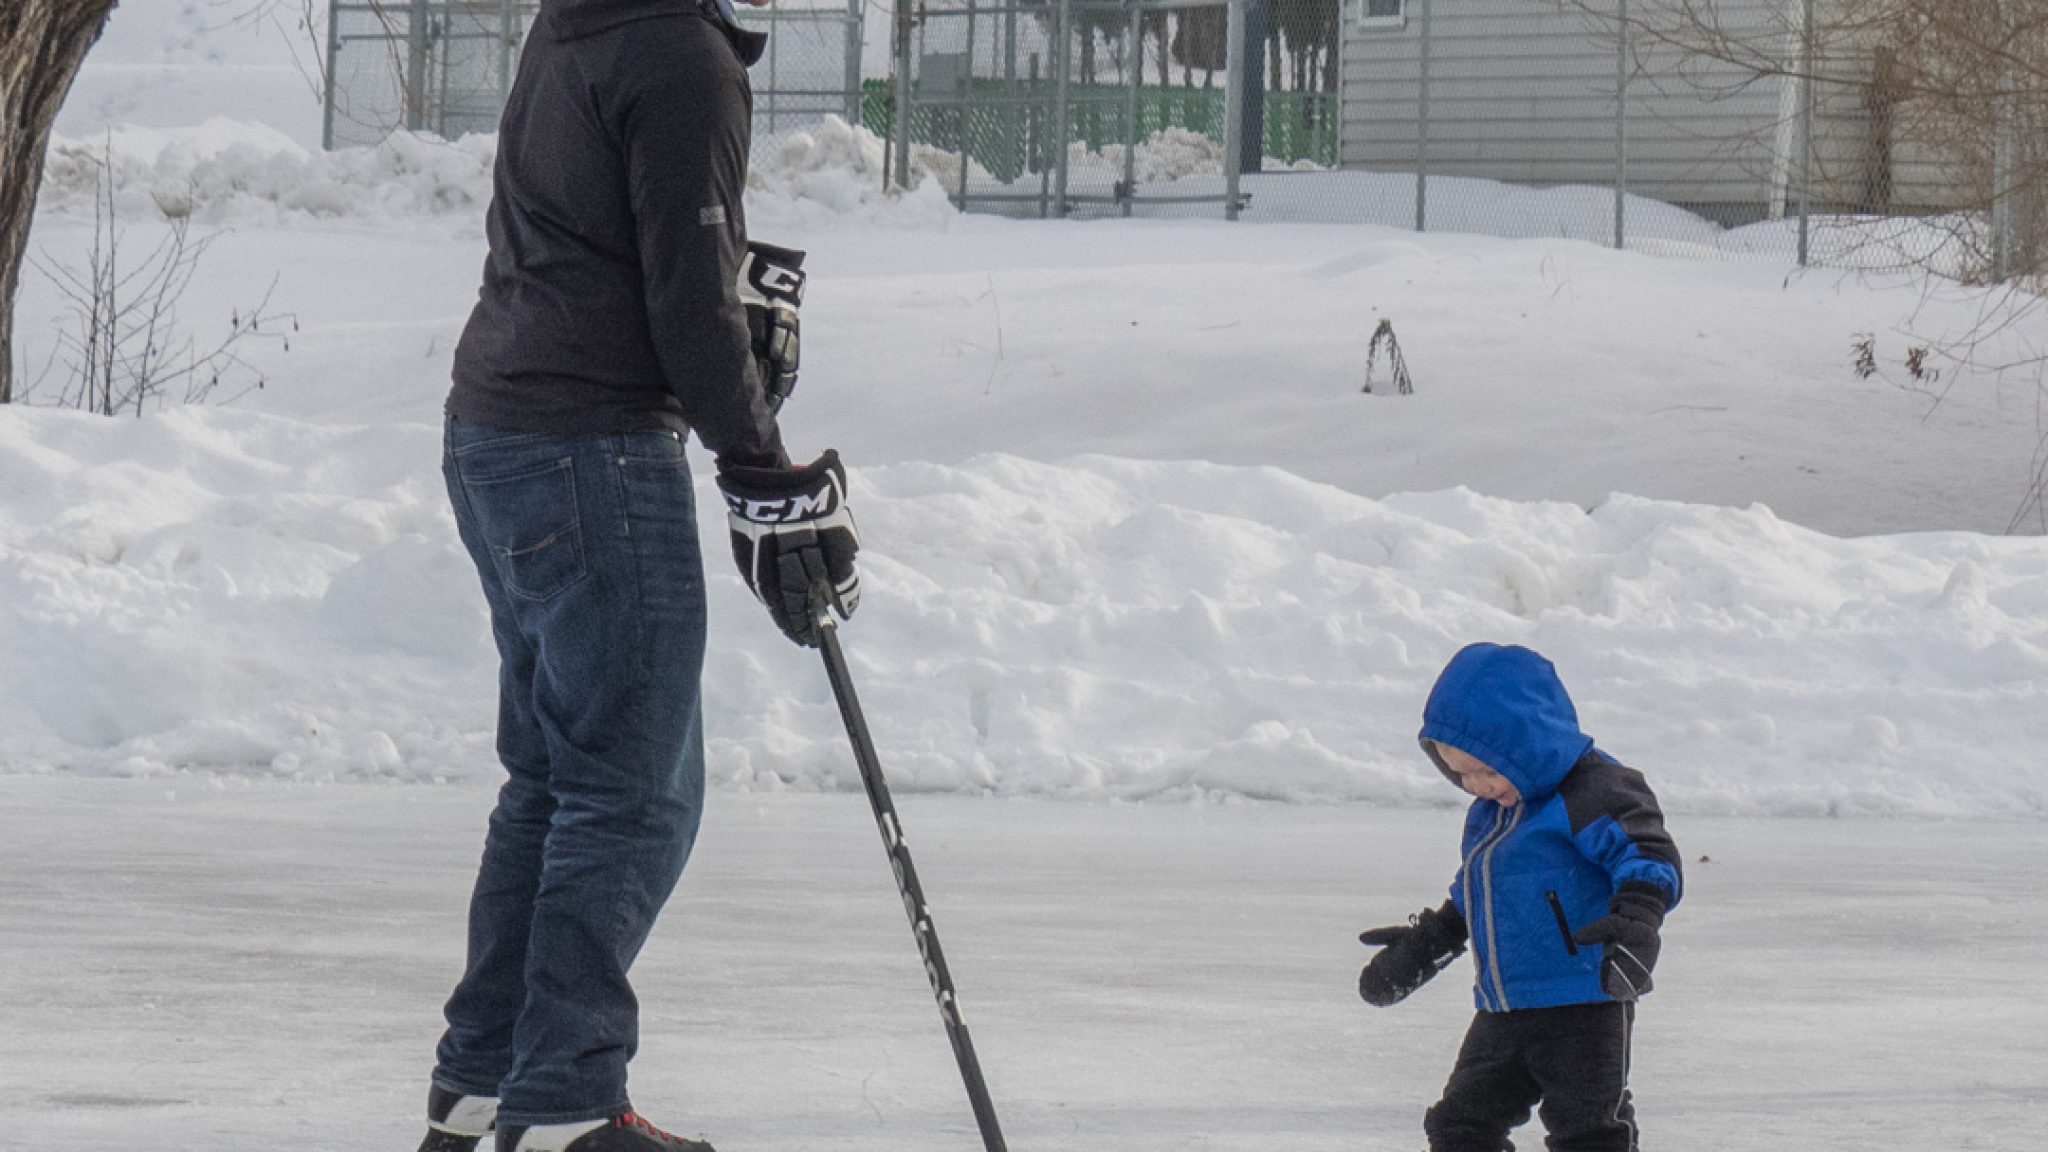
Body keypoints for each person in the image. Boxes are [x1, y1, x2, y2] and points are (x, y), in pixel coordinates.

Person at [416, 0, 860, 1148]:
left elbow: (641, 250)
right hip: (588, 447)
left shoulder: (585, 20)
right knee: (634, 791)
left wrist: (724, 334)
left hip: (500, 427)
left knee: (558, 780)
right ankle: (562, 1098)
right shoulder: (680, 54)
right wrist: (760, 464)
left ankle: (487, 1078)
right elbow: (680, 286)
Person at [1357, 642, 1683, 1152]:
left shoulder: (1595, 789)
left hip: (1585, 999)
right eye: (1459, 773)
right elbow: (1476, 892)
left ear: (1527, 744)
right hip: (1504, 1007)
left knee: (1588, 1133)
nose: (1476, 786)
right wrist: (1427, 944)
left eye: (1487, 770)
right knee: (1459, 1128)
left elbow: (1648, 856)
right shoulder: (1491, 815)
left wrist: (1636, 918)